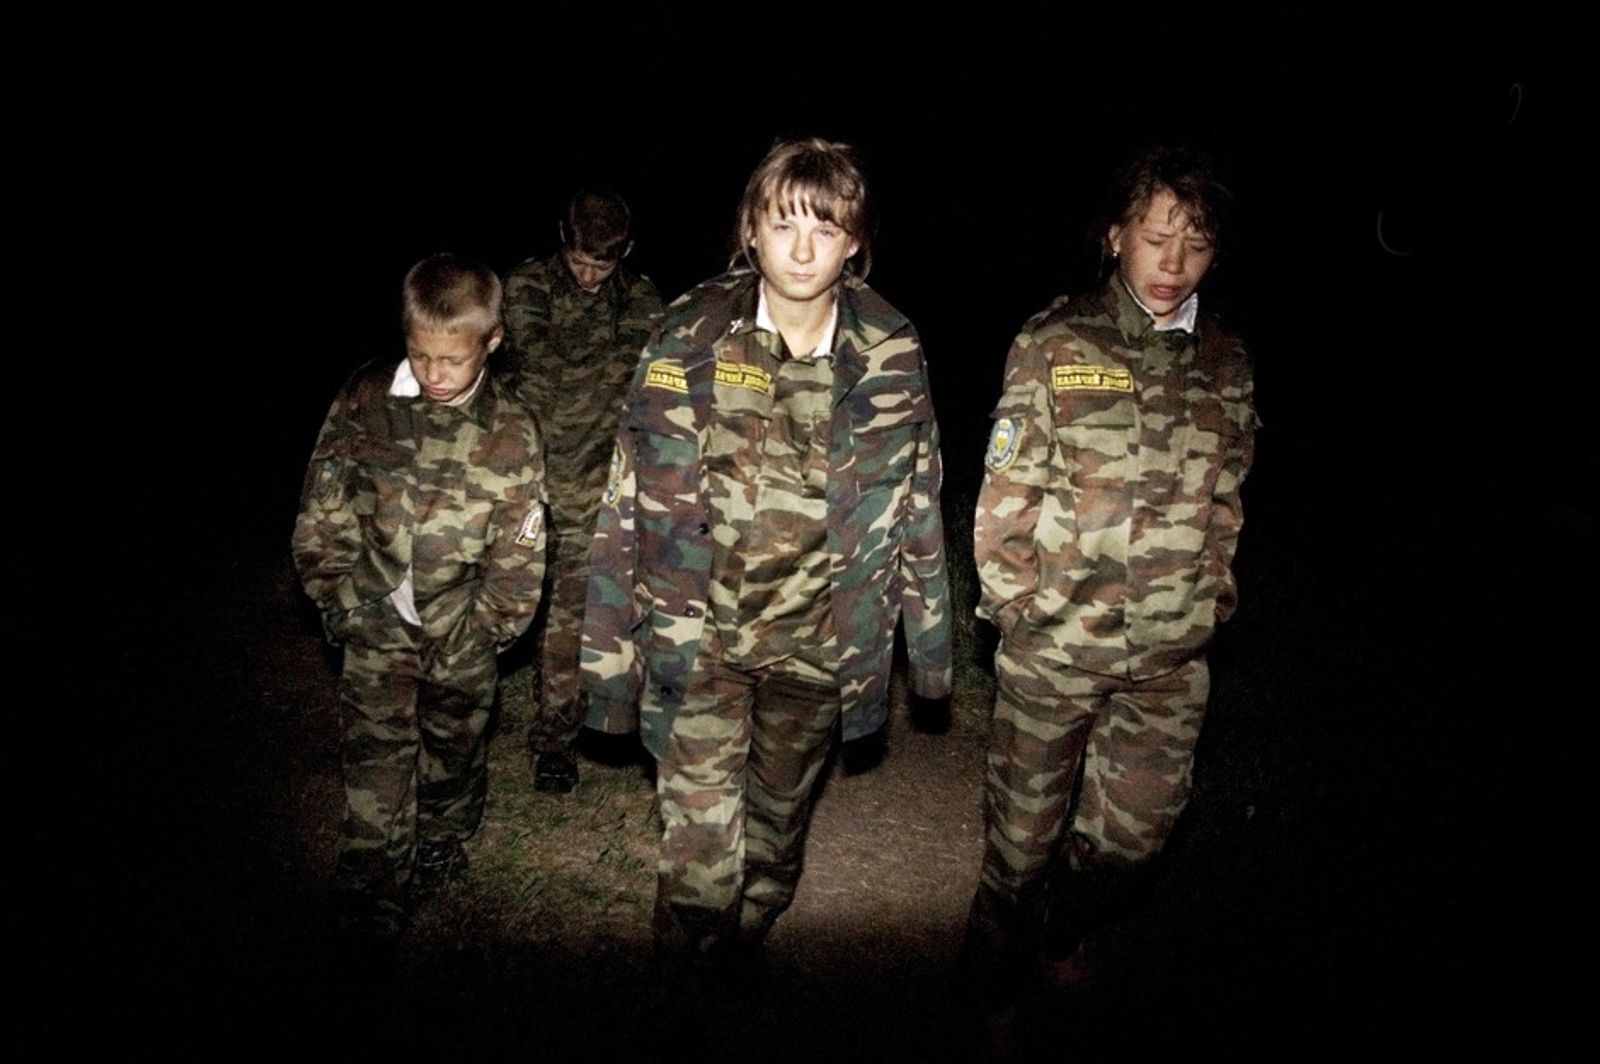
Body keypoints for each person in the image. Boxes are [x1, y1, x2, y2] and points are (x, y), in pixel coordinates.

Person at [581, 138, 952, 987]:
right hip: (698, 640)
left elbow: (920, 501)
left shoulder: (892, 349)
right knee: (701, 875)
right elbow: (624, 500)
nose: (802, 248)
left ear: (855, 240)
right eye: (782, 224)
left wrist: (929, 658)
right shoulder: (686, 334)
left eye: (825, 228)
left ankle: (731, 951)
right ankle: (684, 998)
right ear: (749, 230)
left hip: (819, 649)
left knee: (773, 853)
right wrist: (605, 661)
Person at [962, 145, 1259, 1009]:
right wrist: (1021, 613)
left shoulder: (1228, 362)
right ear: (1114, 236)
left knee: (1133, 845)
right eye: (1155, 238)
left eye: (1195, 246)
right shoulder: (1056, 342)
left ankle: (1061, 931)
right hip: (1055, 651)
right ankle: (987, 989)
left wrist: (1213, 601)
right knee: (1018, 849)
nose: (1172, 265)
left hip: (1170, 662)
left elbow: (1230, 500)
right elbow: (1005, 495)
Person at [292, 253, 548, 939]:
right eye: (420, 356)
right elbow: (325, 499)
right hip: (376, 618)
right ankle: (369, 890)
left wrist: (489, 630)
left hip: (461, 626)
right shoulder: (366, 398)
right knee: (375, 755)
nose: (435, 374)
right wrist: (338, 595)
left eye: (453, 360)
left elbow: (520, 551)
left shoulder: (512, 432)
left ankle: (444, 829)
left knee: (453, 745)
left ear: (490, 343)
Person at [502, 189, 664, 793]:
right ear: (561, 241)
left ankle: (555, 742)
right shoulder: (523, 289)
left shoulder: (644, 302)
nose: (591, 275)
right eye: (580, 262)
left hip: (590, 488)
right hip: (517, 484)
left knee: (569, 619)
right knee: (491, 610)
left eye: (604, 264)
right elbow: (524, 374)